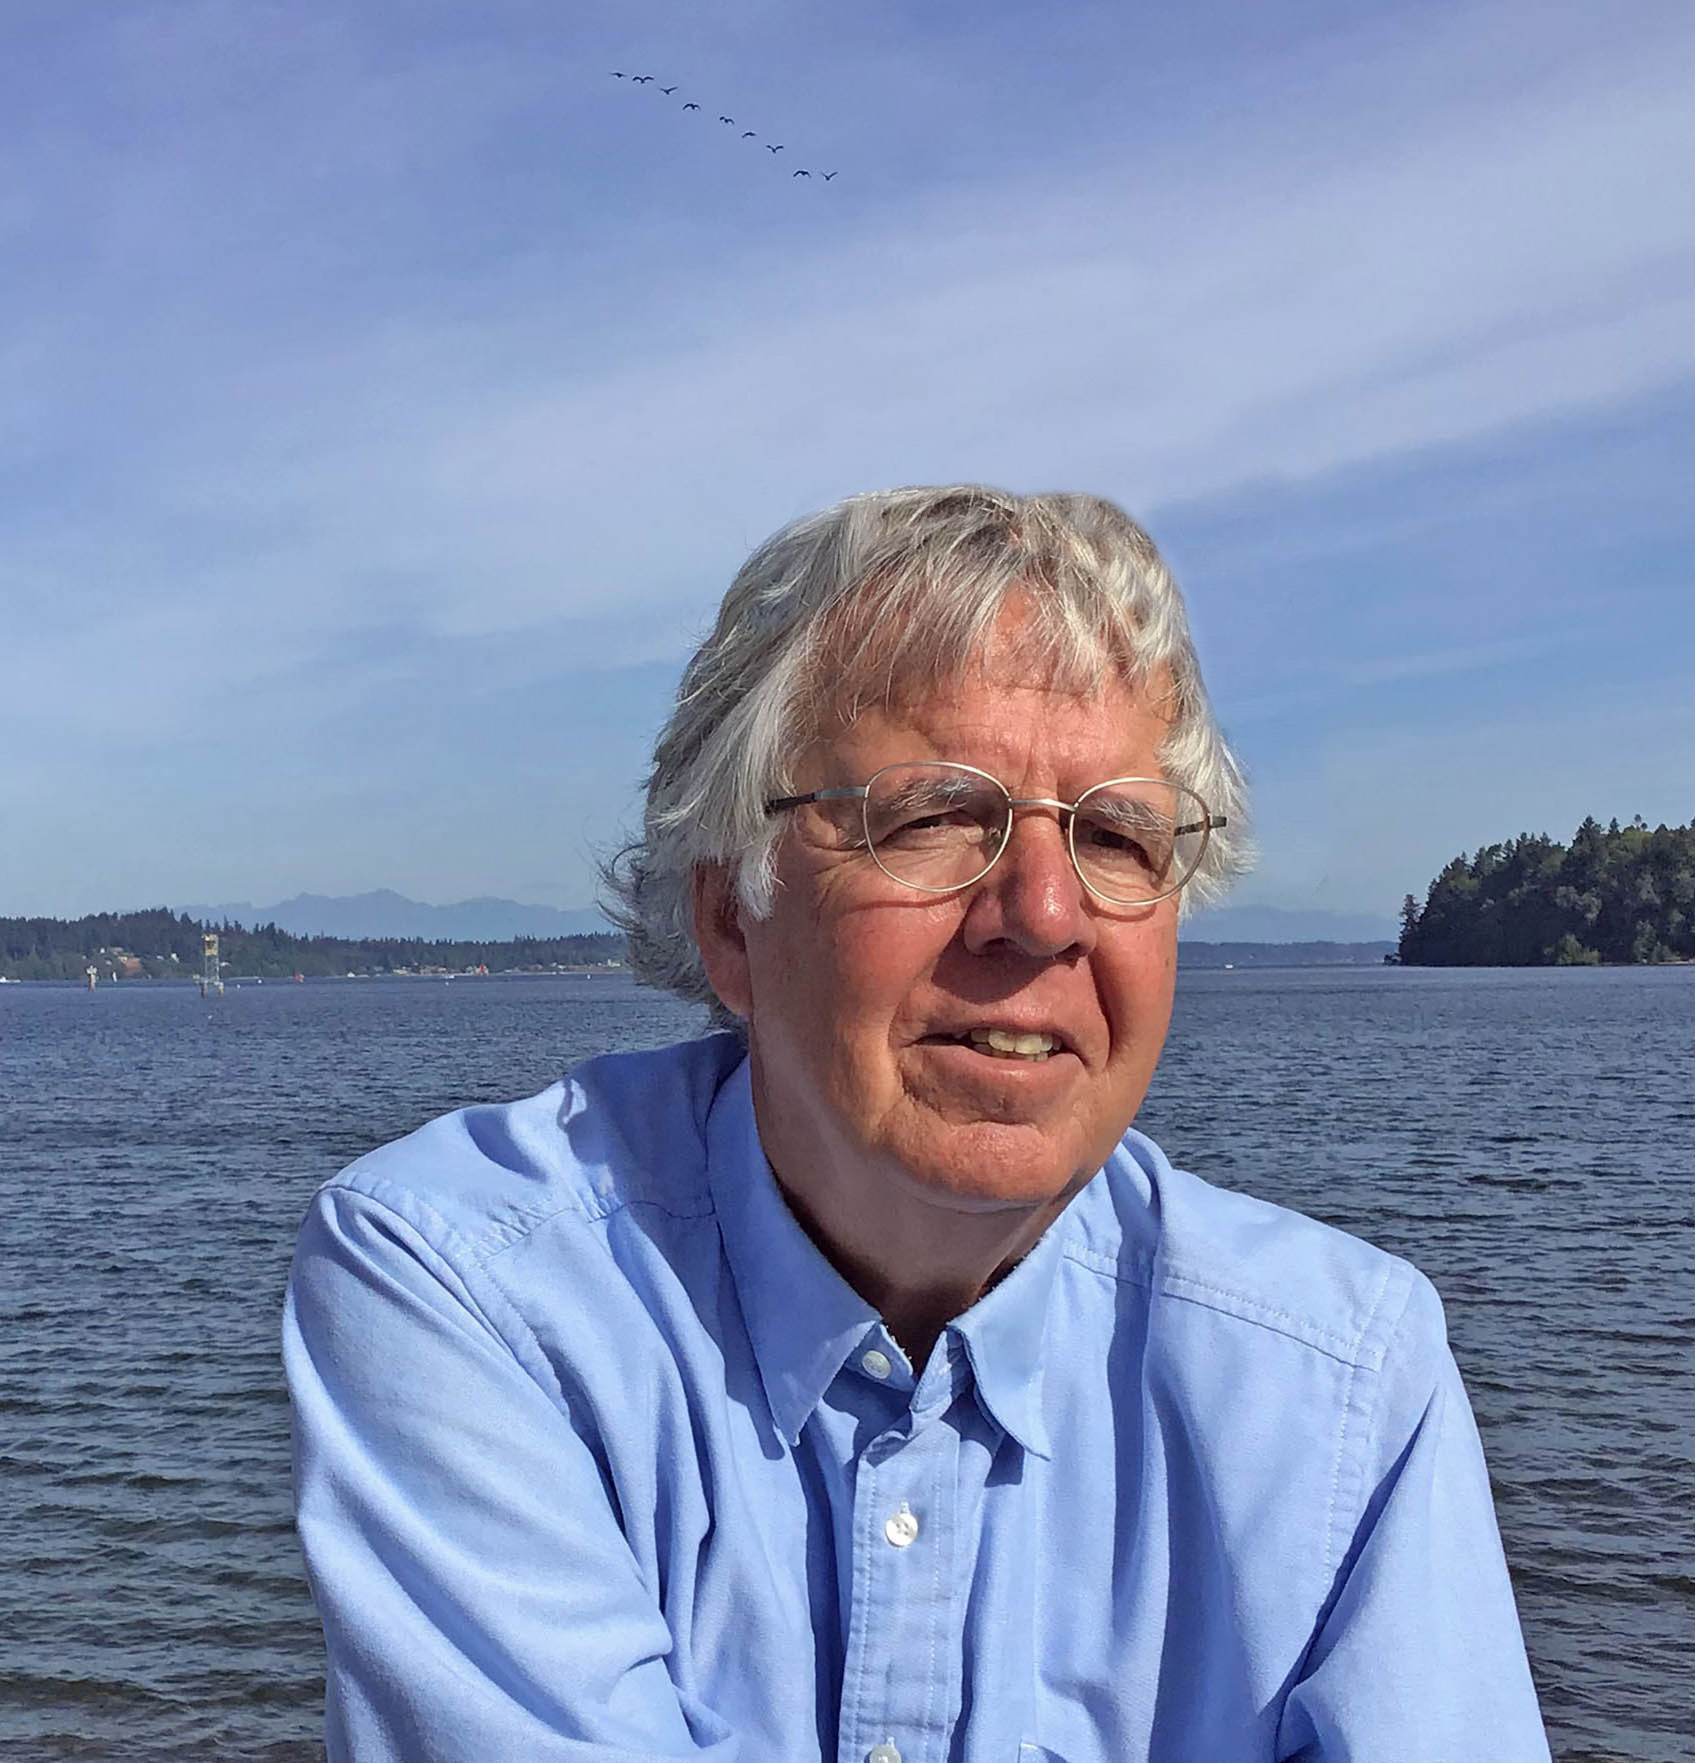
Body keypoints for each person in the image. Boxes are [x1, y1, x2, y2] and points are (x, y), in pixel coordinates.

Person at [285, 487, 1552, 1760]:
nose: (1045, 910)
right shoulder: (474, 1289)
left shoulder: (1336, 1385)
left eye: (1117, 832)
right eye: (935, 815)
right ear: (733, 919)